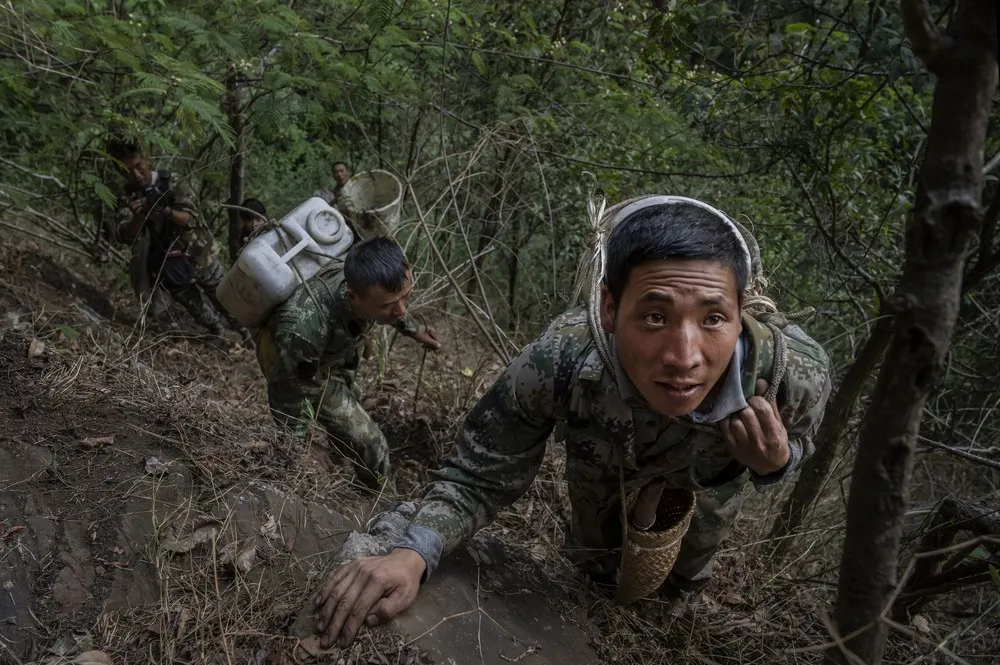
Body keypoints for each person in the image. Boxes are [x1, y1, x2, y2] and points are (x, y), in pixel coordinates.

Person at [311, 195, 833, 648]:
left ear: (743, 311)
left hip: (707, 483)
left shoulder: (793, 375)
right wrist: (413, 553)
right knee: (591, 564)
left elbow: (800, 448)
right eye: (655, 316)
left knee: (683, 579)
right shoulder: (560, 359)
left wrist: (775, 463)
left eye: (714, 318)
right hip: (603, 466)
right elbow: (480, 474)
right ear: (609, 308)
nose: (684, 356)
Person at [254, 236, 442, 490]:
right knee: (373, 445)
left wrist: (414, 329)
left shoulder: (366, 283)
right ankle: (377, 494)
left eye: (406, 297)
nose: (400, 310)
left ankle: (342, 447)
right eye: (388, 305)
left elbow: (393, 302)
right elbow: (287, 391)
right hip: (300, 365)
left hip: (334, 354)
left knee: (350, 401)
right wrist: (300, 446)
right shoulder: (304, 327)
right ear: (352, 297)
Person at [109, 139, 250, 345]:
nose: (136, 175)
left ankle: (247, 334)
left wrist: (163, 209)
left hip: (199, 253)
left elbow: (191, 218)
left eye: (138, 166)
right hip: (167, 264)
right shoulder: (126, 197)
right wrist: (139, 215)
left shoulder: (171, 181)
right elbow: (125, 235)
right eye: (128, 171)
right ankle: (217, 332)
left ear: (146, 159)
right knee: (196, 307)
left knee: (224, 298)